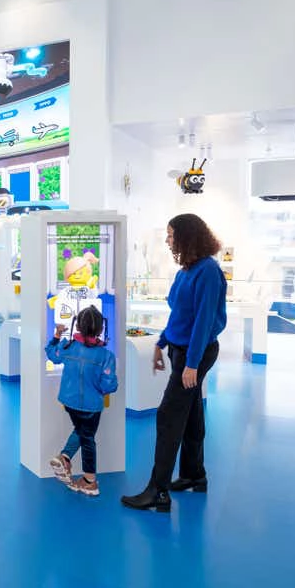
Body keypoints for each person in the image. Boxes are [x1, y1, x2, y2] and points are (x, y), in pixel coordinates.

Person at [121, 214, 227, 513]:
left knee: (168, 415)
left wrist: (191, 364)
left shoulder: (208, 270)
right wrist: (161, 341)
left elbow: (204, 321)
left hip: (196, 352)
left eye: (170, 235)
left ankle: (158, 491)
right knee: (190, 412)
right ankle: (194, 475)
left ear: (186, 236)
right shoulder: (186, 271)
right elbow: (180, 315)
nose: (167, 241)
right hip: (180, 349)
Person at [46, 306, 118, 497]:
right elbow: (110, 385)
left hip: (69, 402)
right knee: (87, 439)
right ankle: (90, 481)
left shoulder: (68, 347)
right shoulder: (106, 356)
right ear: (101, 329)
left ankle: (65, 458)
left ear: (77, 325)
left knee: (82, 431)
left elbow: (51, 354)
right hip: (91, 406)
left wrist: (56, 335)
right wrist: (100, 389)